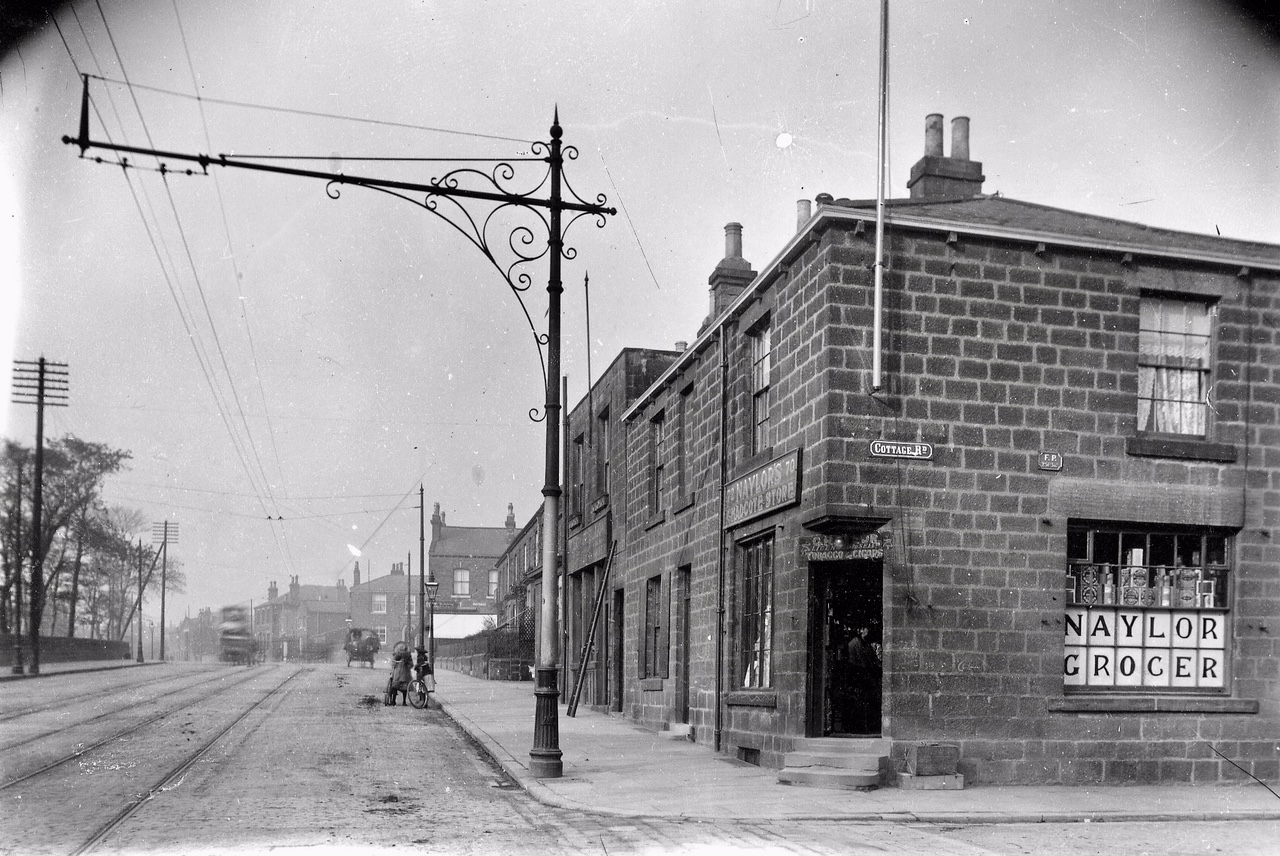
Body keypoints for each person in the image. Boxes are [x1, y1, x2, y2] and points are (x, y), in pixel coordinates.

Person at [386, 641, 412, 706]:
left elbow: (410, 664)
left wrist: (406, 663)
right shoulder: (399, 656)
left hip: (403, 673)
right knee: (396, 686)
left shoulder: (407, 656)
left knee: (402, 687)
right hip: (399, 673)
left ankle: (401, 701)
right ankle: (396, 701)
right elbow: (393, 663)